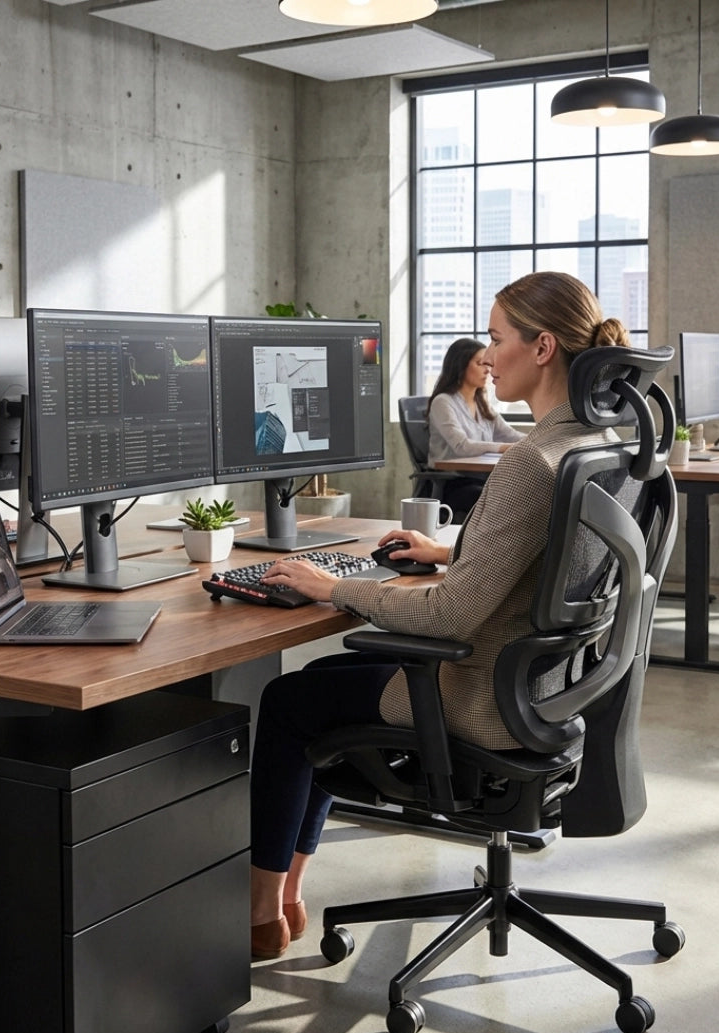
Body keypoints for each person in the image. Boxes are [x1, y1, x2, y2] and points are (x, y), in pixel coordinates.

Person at [246, 271, 629, 960]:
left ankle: (263, 913)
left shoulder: (530, 461)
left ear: (543, 348)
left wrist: (329, 588)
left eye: (496, 338)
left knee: (288, 700)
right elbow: (539, 567)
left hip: (481, 696)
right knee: (344, 672)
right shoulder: (594, 445)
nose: (488, 354)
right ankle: (285, 899)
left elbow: (454, 615)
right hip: (547, 687)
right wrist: (449, 548)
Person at [426, 337, 524, 516]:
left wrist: (539, 440)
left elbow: (509, 434)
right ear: (461, 365)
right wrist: (504, 448)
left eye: (488, 363)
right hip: (454, 483)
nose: (488, 369)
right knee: (502, 503)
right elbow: (462, 446)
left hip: (482, 479)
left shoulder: (481, 403)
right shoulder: (443, 402)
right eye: (480, 363)